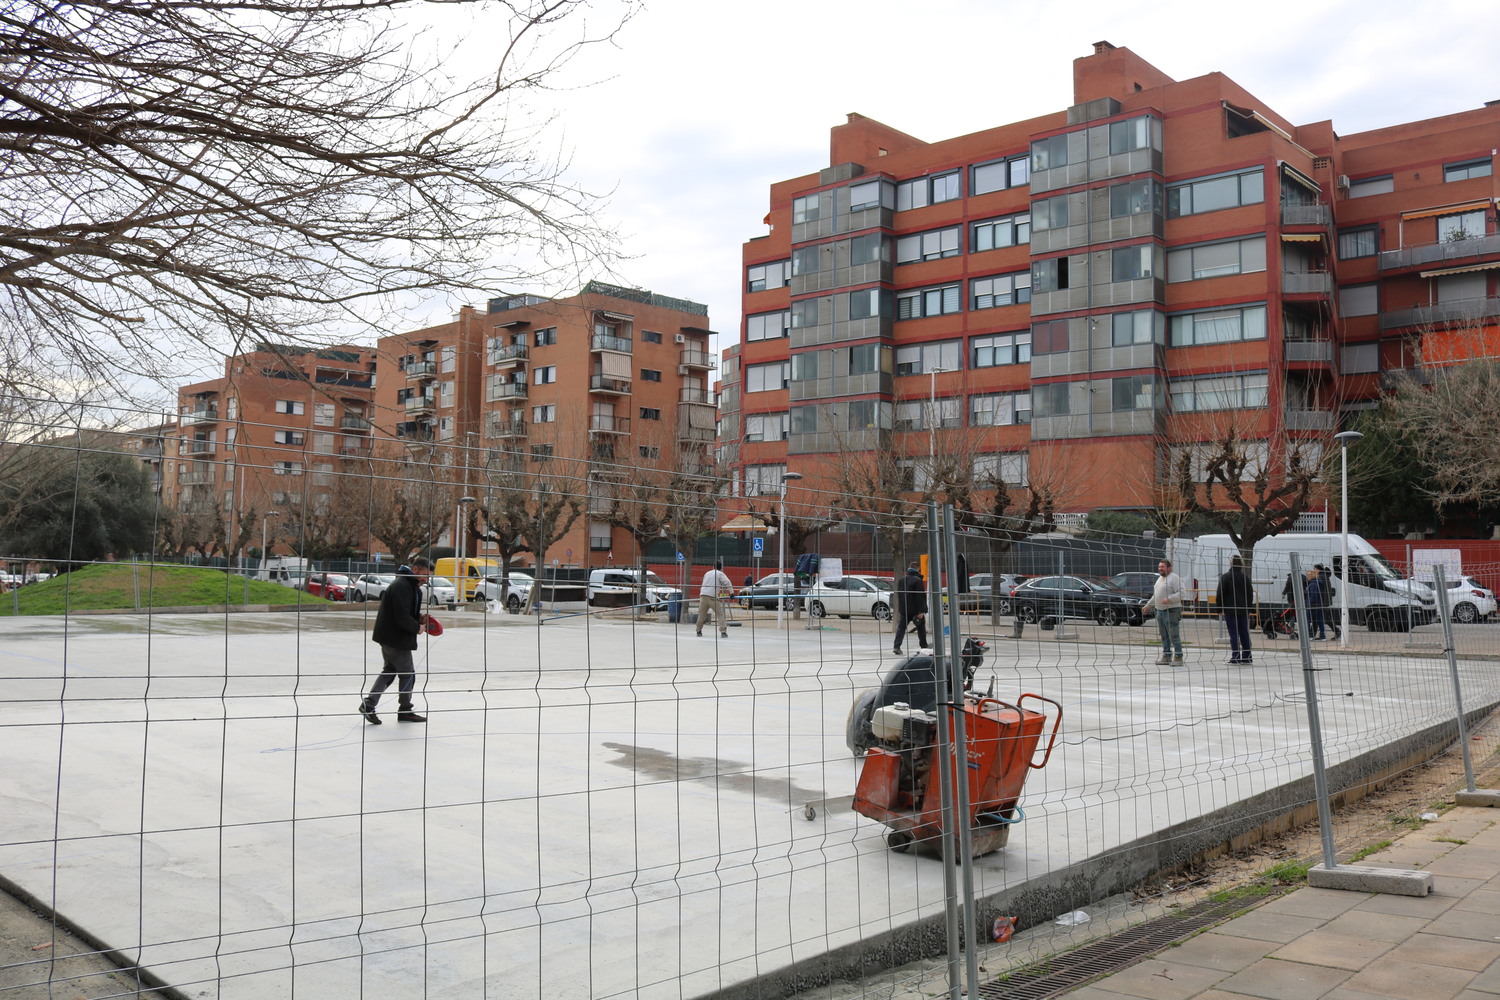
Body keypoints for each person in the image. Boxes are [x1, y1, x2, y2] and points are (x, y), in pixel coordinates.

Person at [359, 556, 434, 725]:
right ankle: (405, 710)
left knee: (390, 670)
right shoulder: (402, 586)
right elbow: (401, 617)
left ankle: (369, 704)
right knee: (408, 675)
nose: (426, 579)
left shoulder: (409, 586)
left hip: (389, 637)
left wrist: (419, 618)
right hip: (396, 639)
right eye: (425, 575)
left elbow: (405, 612)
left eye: (429, 577)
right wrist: (417, 627)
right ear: (415, 569)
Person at [1144, 559, 1185, 664]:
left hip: (1171, 611)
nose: (1160, 569)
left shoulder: (1175, 578)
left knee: (1174, 635)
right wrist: (1148, 605)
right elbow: (1156, 595)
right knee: (1164, 635)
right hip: (1160, 611)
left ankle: (1178, 657)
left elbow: (1182, 593)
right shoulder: (1160, 579)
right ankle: (1166, 656)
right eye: (1159, 567)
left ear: (1169, 568)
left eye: (1162, 567)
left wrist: (1170, 599)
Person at [1215, 555, 1253, 664]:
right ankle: (1247, 656)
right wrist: (1249, 608)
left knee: (1233, 633)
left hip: (1230, 609)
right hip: (1243, 609)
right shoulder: (1245, 578)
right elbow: (1250, 593)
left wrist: (1219, 608)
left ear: (1231, 563)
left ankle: (1235, 656)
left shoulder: (1225, 577)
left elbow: (1220, 593)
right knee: (1244, 633)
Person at [893, 563, 928, 655]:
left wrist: (901, 608)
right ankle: (924, 646)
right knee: (921, 628)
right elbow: (920, 596)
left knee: (901, 628)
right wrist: (922, 610)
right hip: (916, 609)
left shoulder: (901, 580)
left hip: (904, 609)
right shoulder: (917, 580)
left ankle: (897, 646)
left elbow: (900, 595)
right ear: (917, 569)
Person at [696, 559, 733, 638]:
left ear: (713, 566)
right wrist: (731, 593)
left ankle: (698, 630)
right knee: (719, 614)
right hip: (712, 597)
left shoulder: (707, 573)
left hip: (703, 595)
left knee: (702, 614)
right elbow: (727, 582)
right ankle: (723, 632)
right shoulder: (720, 573)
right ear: (721, 568)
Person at [1306, 566, 1327, 639]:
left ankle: (1309, 634)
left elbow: (1313, 595)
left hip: (1313, 605)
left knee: (1307, 619)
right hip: (1319, 604)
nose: (1307, 576)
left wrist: (1308, 603)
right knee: (1319, 620)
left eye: (1309, 575)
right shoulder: (1317, 582)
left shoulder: (1313, 584)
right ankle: (1322, 635)